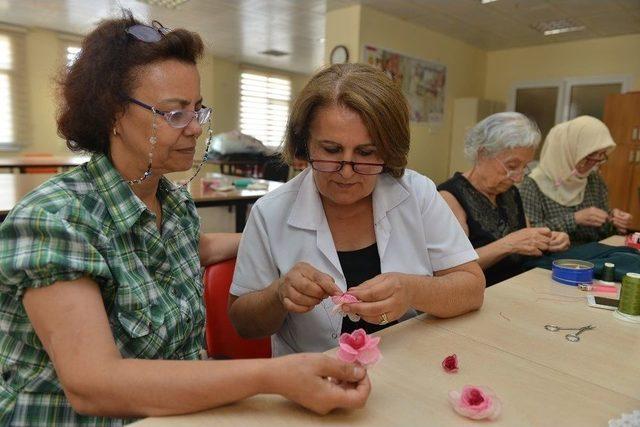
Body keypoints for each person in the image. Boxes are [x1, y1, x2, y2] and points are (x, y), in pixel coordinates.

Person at [0, 14, 370, 425]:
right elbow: (93, 384)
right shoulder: (54, 221)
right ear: (112, 115)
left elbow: (182, 249)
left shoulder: (172, 204)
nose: (195, 129)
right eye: (175, 114)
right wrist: (272, 375)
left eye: (198, 110)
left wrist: (272, 234)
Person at [228, 63, 485, 356]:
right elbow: (242, 324)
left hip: (411, 366)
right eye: (331, 150)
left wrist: (412, 291)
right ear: (305, 145)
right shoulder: (270, 213)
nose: (346, 172)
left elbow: (472, 287)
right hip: (312, 380)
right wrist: (278, 295)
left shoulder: (417, 193)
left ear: (389, 151)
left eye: (366, 153)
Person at [438, 112, 570, 286]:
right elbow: (450, 269)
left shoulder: (510, 192)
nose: (519, 178)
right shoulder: (449, 197)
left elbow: (525, 239)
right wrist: (509, 244)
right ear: (482, 154)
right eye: (512, 166)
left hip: (519, 287)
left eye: (525, 167)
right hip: (481, 296)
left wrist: (548, 240)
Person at [520, 116, 632, 245]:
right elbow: (528, 235)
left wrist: (614, 220)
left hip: (592, 253)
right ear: (569, 151)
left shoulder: (594, 180)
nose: (595, 162)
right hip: (552, 258)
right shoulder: (532, 184)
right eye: (591, 154)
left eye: (602, 155)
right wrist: (574, 219)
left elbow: (604, 233)